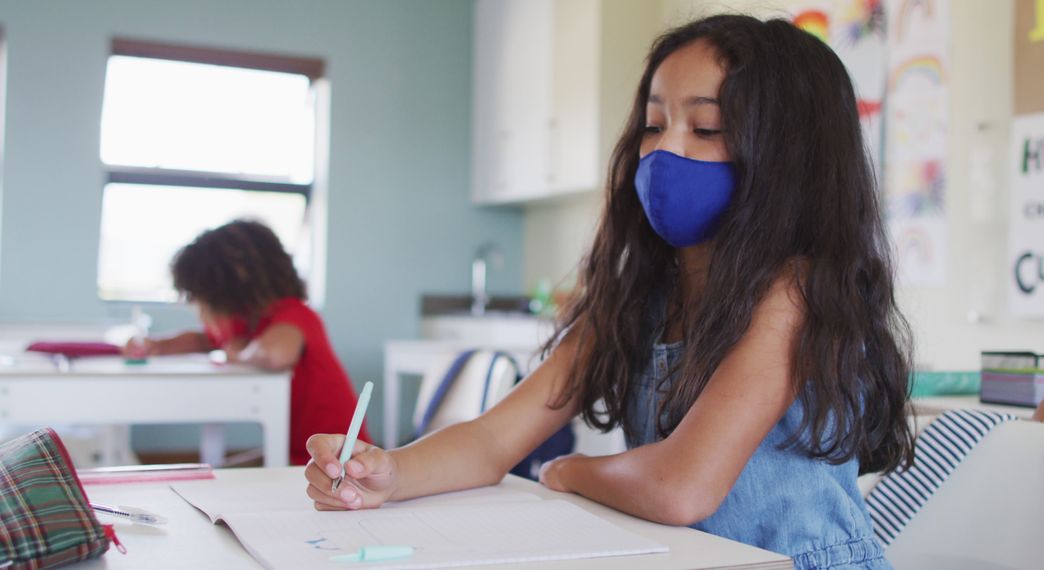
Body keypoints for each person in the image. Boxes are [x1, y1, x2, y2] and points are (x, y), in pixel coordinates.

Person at [304, 14, 913, 569]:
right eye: (653, 124)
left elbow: (682, 486)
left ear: (788, 160)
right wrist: (388, 471)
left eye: (706, 128)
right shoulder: (634, 301)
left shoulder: (793, 294)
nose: (665, 150)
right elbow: (493, 438)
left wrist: (571, 470)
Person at [123, 220, 370, 465]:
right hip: (298, 454)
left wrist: (240, 353)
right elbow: (203, 339)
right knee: (220, 473)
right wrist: (157, 345)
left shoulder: (295, 314)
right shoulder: (246, 323)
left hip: (342, 458)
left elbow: (276, 354)